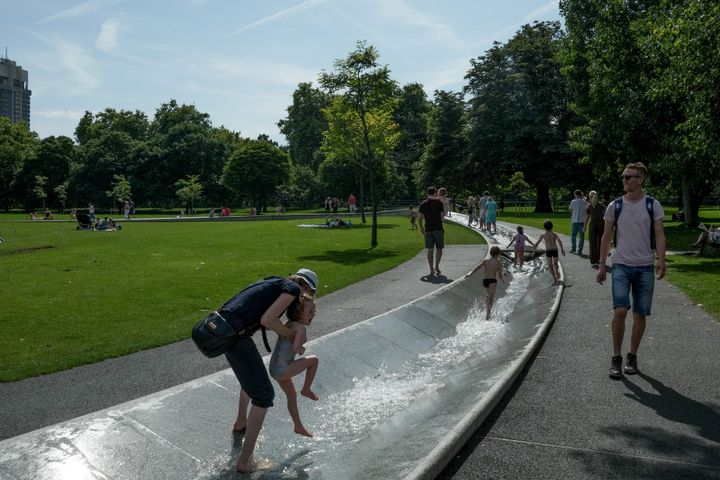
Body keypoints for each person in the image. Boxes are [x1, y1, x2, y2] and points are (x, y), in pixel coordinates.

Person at [214, 268, 319, 473]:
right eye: (310, 294)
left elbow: (267, 318)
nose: (307, 298)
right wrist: (295, 338)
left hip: (230, 333)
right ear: (304, 286)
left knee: (254, 383)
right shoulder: (289, 290)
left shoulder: (275, 283)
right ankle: (245, 462)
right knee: (264, 394)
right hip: (242, 340)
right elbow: (267, 321)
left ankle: (242, 421)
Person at [596, 162, 665, 379]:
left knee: (640, 314)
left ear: (640, 179)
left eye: (629, 177)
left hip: (645, 266)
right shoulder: (614, 206)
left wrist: (661, 260)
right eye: (624, 177)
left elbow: (660, 234)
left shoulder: (652, 205)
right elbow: (606, 237)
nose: (624, 180)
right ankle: (616, 358)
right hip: (621, 265)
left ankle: (632, 356)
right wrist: (601, 265)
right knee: (620, 310)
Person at [269, 293, 319, 437]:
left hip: (273, 368)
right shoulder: (301, 329)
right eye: (310, 312)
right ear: (299, 312)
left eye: (314, 312)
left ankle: (298, 426)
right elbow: (296, 349)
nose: (313, 315)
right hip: (283, 369)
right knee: (314, 360)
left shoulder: (288, 323)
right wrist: (302, 348)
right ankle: (306, 389)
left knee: (291, 395)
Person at [466, 245, 505, 319]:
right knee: (491, 297)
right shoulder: (498, 263)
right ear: (498, 254)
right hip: (493, 281)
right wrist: (502, 278)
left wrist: (470, 273)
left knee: (488, 295)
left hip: (485, 281)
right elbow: (500, 274)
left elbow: (478, 267)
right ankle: (488, 314)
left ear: (490, 253)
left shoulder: (486, 261)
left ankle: (486, 308)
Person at [418, 187, 445, 276]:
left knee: (430, 250)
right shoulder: (439, 203)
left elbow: (420, 218)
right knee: (439, 249)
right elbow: (442, 216)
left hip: (428, 229)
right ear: (434, 193)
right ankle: (437, 266)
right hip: (438, 228)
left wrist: (422, 228)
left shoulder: (423, 204)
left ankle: (431, 269)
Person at [584, 191, 606, 268]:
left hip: (593, 224)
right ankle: (600, 259)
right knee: (600, 242)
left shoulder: (588, 206)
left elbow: (587, 217)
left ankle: (593, 261)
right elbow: (604, 215)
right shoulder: (601, 205)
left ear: (590, 197)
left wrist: (585, 226)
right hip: (601, 224)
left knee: (592, 243)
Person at [569, 189, 587, 255]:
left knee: (573, 235)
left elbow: (570, 210)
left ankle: (573, 248)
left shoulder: (573, 201)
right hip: (582, 221)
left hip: (575, 221)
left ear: (576, 195)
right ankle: (580, 250)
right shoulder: (585, 202)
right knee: (581, 237)